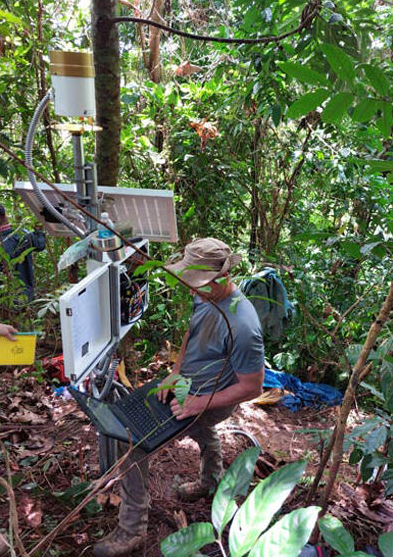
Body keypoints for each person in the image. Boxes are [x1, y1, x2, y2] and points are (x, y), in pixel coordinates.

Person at [93, 238, 265, 557]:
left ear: (223, 276)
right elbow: (191, 333)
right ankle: (211, 481)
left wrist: (198, 403)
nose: (192, 290)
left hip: (211, 399)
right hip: (187, 388)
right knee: (153, 419)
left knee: (131, 440)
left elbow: (252, 387)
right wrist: (175, 373)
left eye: (198, 283)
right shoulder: (207, 295)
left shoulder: (243, 325)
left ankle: (132, 529)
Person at [0, 203, 45, 302]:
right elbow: (40, 245)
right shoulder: (23, 234)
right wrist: (38, 228)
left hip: (5, 300)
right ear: (5, 216)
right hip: (25, 295)